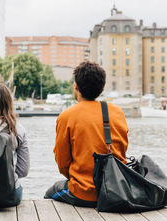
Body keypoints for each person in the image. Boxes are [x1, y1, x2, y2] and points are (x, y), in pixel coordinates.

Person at [45, 61, 128, 207]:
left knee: (50, 192)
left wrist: (79, 179)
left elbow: (62, 162)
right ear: (101, 88)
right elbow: (122, 151)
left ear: (76, 86)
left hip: (84, 193)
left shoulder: (66, 117)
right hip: (117, 190)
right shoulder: (117, 112)